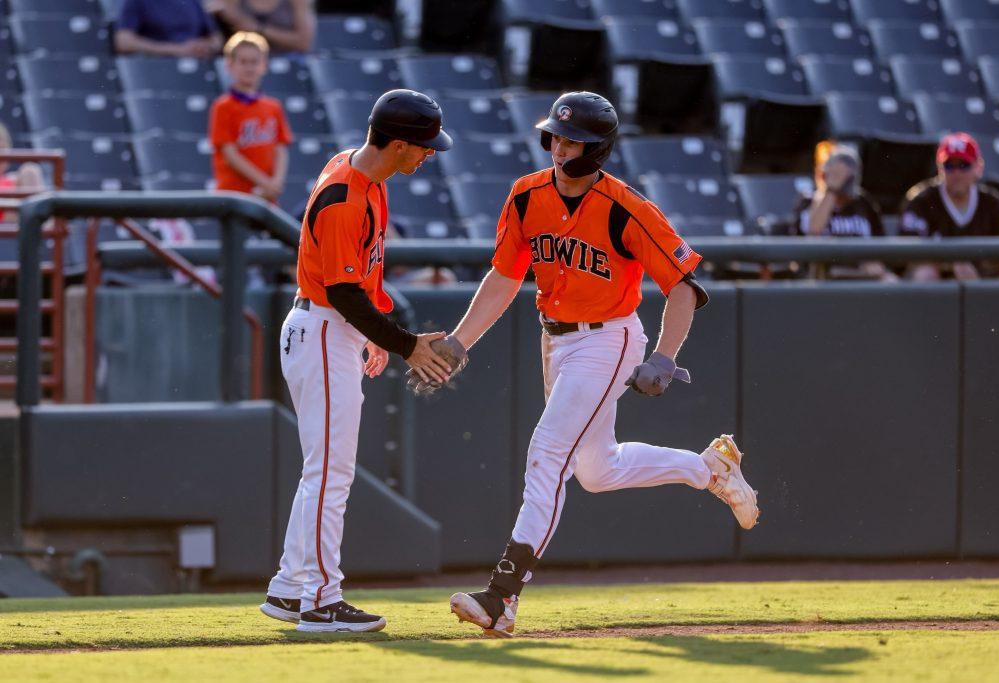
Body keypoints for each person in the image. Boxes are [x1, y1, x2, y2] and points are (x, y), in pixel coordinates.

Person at [428, 92, 760, 638]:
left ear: (597, 148)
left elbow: (683, 287)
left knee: (548, 455)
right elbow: (506, 276)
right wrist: (462, 340)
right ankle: (711, 469)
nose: (560, 147)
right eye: (555, 136)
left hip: (607, 340)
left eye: (572, 139)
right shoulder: (525, 195)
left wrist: (663, 355)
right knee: (596, 470)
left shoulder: (625, 205)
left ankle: (502, 597)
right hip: (555, 340)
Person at [259, 89, 455, 633]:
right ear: (396, 143)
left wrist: (373, 332)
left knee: (323, 470)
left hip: (329, 327)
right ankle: (320, 599)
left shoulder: (361, 172)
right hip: (322, 325)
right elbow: (343, 291)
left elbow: (357, 278)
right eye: (422, 146)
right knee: (331, 471)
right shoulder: (346, 194)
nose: (427, 155)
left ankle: (289, 588)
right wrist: (405, 343)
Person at [900, 132, 999, 281]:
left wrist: (980, 271)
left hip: (986, 278)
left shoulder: (993, 203)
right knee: (924, 273)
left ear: (978, 167)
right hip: (940, 280)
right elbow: (908, 253)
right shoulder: (921, 201)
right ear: (939, 168)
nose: (957, 173)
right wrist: (952, 263)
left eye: (964, 165)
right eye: (949, 166)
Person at [209, 32, 292, 202]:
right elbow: (230, 154)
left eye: (254, 62)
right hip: (233, 196)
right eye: (243, 62)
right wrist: (265, 183)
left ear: (264, 65)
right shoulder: (222, 106)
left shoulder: (273, 106)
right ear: (229, 65)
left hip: (266, 195)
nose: (249, 67)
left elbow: (281, 148)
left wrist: (276, 182)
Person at [793, 143, 896, 281]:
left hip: (862, 275)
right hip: (822, 276)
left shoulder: (864, 203)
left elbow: (880, 247)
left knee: (891, 281)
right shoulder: (809, 202)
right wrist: (832, 189)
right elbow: (813, 231)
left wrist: (876, 264)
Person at [115, 0, 221, 58]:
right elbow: (123, 42)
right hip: (157, 66)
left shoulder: (194, 2)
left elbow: (216, 39)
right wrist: (177, 49)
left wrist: (205, 46)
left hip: (197, 63)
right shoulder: (137, 2)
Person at [207, 0, 316, 54]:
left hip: (288, 59)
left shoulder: (298, 2)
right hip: (245, 61)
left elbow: (303, 43)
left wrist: (258, 29)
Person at [0, 122, 44, 223]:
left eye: (2, 149)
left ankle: (36, 226)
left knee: (30, 170)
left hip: (18, 228)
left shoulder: (16, 179)